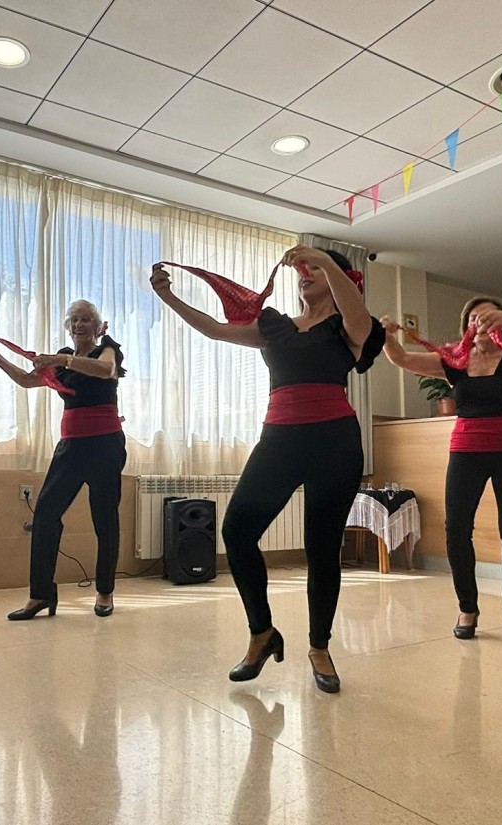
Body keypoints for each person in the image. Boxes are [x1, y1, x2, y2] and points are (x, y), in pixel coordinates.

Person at [150, 247, 383, 693]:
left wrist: (321, 257)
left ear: (341, 277)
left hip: (335, 442)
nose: (304, 274)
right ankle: (262, 632)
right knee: (237, 531)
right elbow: (216, 329)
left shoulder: (350, 326)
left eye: (314, 269)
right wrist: (169, 298)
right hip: (278, 441)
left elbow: (357, 316)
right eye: (302, 271)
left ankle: (319, 647)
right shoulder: (275, 325)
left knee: (322, 548)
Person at [380, 298, 502, 640]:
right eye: (473, 317)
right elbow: (403, 359)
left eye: (488, 316)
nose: (480, 322)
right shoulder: (455, 361)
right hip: (466, 452)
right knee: (456, 530)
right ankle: (467, 608)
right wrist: (386, 336)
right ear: (465, 326)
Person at [0, 300, 127, 620]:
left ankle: (105, 591)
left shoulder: (106, 350)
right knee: (45, 513)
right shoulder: (63, 361)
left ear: (97, 326)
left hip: (105, 445)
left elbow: (106, 370)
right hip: (71, 447)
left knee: (105, 519)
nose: (80, 324)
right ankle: (41, 595)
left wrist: (61, 359)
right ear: (68, 327)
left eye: (86, 319)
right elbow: (26, 379)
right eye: (74, 320)